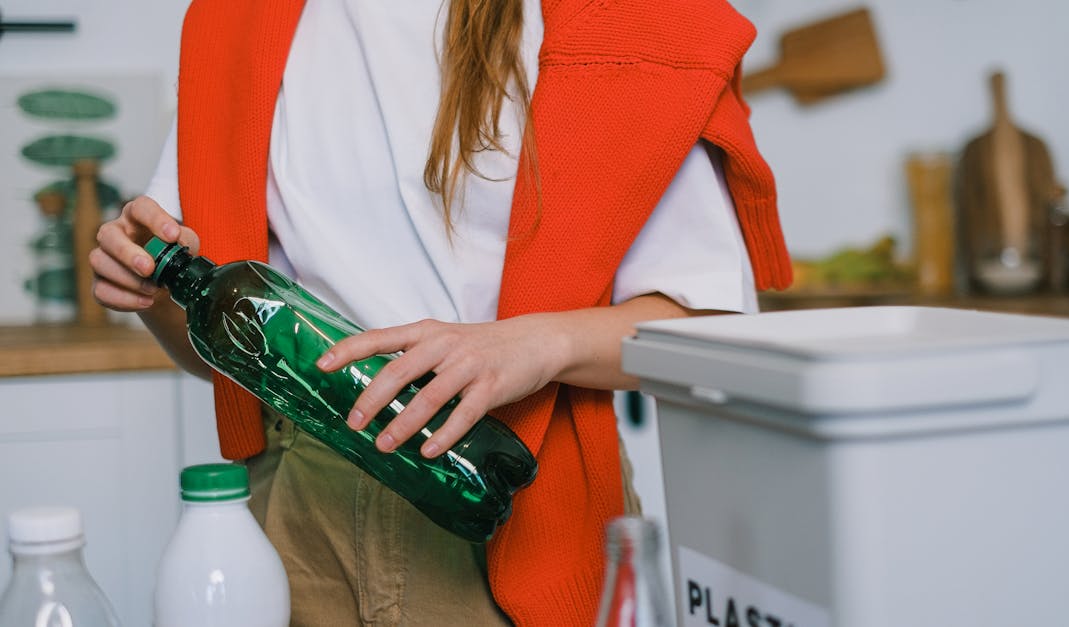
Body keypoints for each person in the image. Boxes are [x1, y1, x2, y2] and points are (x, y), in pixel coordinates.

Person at [89, 0, 790, 624]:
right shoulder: (234, 21)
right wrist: (151, 292)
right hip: (298, 514)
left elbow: (708, 327)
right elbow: (224, 348)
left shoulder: (624, 22)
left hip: (512, 493)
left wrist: (534, 344)